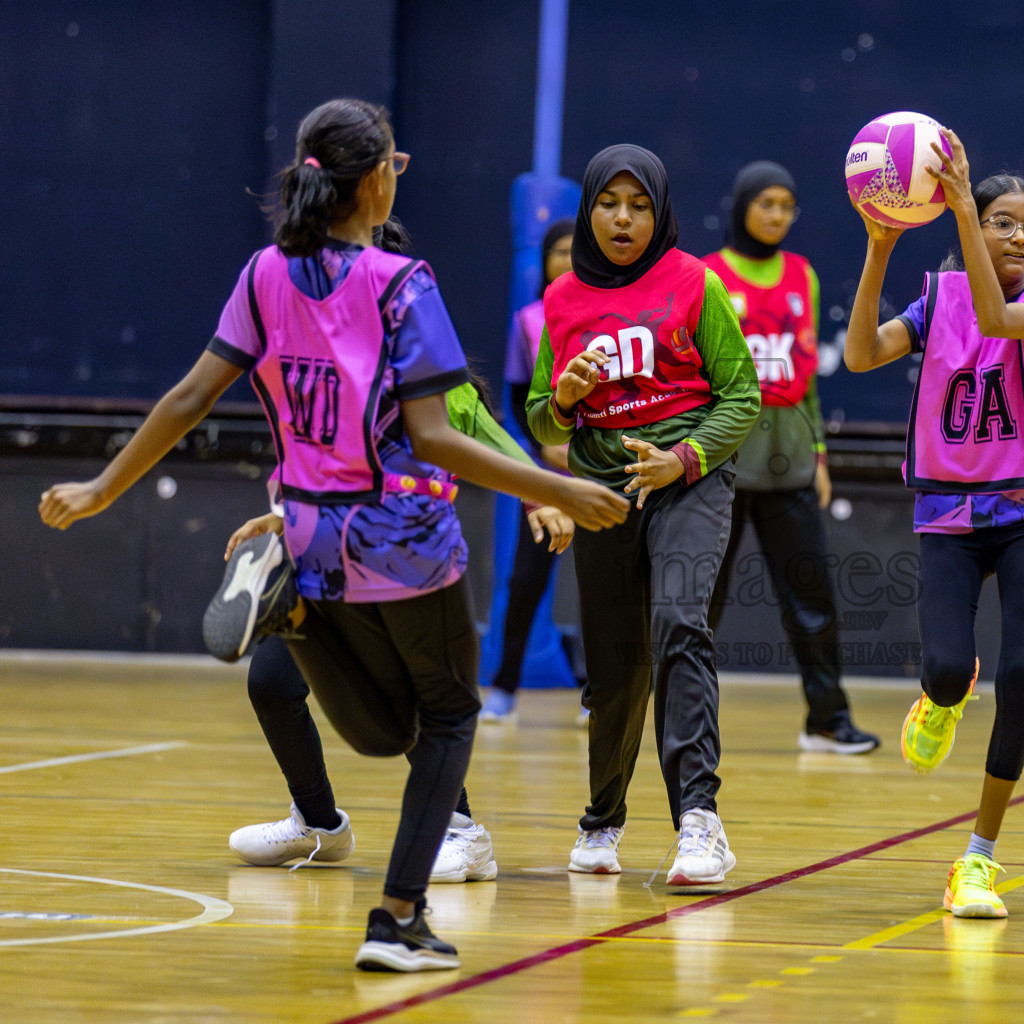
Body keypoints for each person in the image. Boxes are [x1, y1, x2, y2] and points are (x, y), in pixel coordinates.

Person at [38, 98, 626, 972]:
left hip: (306, 537)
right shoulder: (402, 283)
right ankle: (397, 918)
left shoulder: (263, 274)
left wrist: (99, 488)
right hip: (402, 539)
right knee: (449, 716)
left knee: (387, 731)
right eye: (395, 162)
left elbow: (191, 398)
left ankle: (295, 638)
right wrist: (561, 488)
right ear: (375, 178)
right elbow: (435, 436)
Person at [843, 129, 1024, 920]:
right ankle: (942, 696)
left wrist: (956, 211)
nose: (1020, 236)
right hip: (948, 515)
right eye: (1003, 222)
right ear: (974, 226)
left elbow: (993, 309)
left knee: (1022, 674)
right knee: (949, 667)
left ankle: (977, 859)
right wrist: (880, 247)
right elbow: (859, 354)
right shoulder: (935, 301)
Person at [526, 144, 760, 884]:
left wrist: (683, 459)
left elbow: (743, 396)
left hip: (688, 480)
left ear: (659, 213)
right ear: (589, 208)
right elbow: (542, 423)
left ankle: (700, 820)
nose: (622, 219)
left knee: (680, 625)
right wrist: (563, 396)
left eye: (638, 206)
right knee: (615, 669)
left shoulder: (696, 282)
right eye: (608, 204)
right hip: (602, 492)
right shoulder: (561, 300)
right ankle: (602, 822)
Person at [226, 380, 564, 885]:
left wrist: (542, 496)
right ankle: (318, 824)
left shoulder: (440, 386)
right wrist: (280, 519)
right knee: (271, 683)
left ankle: (463, 831)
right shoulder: (335, 377)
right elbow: (321, 466)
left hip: (405, 565)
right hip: (325, 560)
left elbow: (494, 443)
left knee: (404, 698)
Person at [701, 162, 879, 755]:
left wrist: (820, 454)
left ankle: (827, 720)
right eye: (766, 203)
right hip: (720, 465)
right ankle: (668, 713)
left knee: (813, 598)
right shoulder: (706, 276)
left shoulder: (802, 275)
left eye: (787, 205)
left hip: (792, 463)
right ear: (742, 206)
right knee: (700, 601)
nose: (777, 215)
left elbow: (807, 381)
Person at [482, 218, 579, 724]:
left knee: (606, 584)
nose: (566, 259)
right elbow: (521, 399)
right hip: (548, 472)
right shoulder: (528, 320)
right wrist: (548, 446)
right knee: (525, 581)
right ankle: (503, 687)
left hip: (604, 470)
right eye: (557, 251)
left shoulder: (609, 314)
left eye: (574, 250)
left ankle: (601, 692)